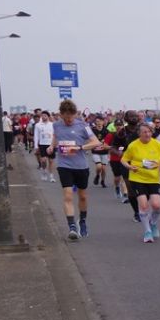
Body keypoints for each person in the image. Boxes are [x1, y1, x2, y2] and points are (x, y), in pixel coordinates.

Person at [51, 100, 103, 241]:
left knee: (83, 196)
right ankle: (72, 227)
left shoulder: (83, 126)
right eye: (66, 117)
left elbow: (96, 142)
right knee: (68, 195)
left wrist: (79, 147)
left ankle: (83, 220)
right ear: (61, 115)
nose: (68, 120)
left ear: (75, 114)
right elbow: (56, 137)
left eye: (71, 117)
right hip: (64, 165)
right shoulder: (56, 125)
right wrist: (51, 146)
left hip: (81, 165)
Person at [124, 121, 160, 242]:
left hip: (153, 178)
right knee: (143, 205)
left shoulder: (158, 144)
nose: (147, 134)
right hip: (137, 178)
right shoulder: (133, 145)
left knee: (157, 206)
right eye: (144, 132)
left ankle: (153, 223)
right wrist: (129, 167)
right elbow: (124, 160)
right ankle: (147, 231)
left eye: (149, 132)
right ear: (139, 133)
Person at [33, 112, 55, 181]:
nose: (43, 117)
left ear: (48, 116)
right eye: (42, 116)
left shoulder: (52, 124)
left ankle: (51, 176)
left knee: (51, 161)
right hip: (42, 144)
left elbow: (54, 135)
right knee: (43, 160)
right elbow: (36, 136)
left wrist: (54, 144)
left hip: (50, 144)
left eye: (45, 116)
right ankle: (44, 172)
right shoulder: (38, 125)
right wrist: (36, 146)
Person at [91, 115, 110, 188]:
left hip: (104, 152)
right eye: (97, 121)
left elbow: (109, 141)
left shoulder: (106, 131)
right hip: (95, 151)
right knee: (99, 166)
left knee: (104, 169)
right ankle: (97, 175)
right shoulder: (92, 130)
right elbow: (89, 139)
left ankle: (102, 181)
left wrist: (104, 142)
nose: (98, 123)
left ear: (103, 122)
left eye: (100, 121)